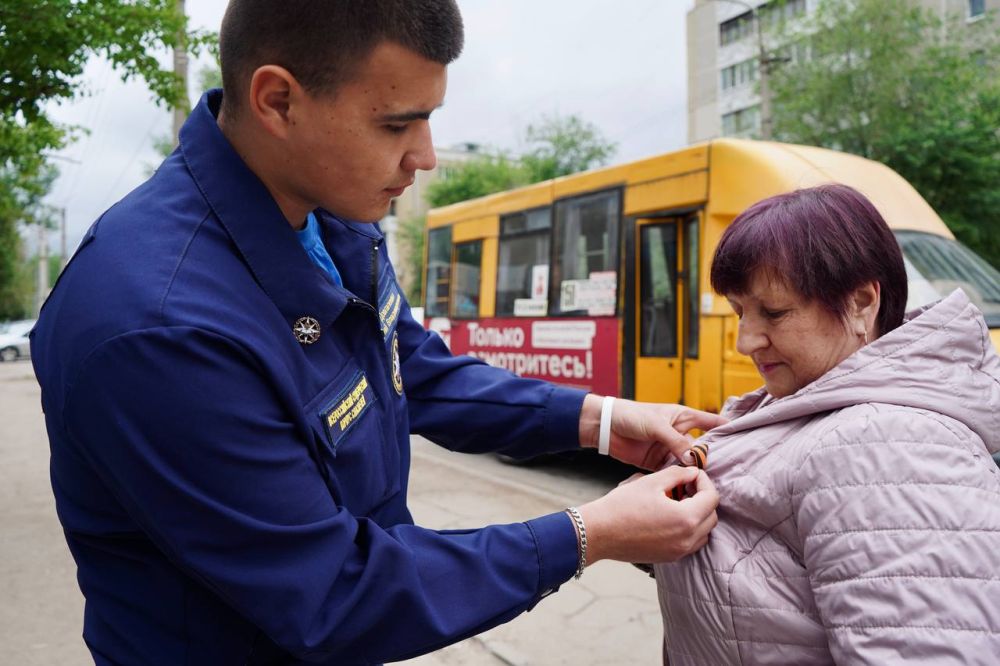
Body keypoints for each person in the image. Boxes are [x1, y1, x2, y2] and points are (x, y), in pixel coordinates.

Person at [30, 2, 725, 664]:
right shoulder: (160, 329)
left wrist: (600, 421)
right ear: (278, 101)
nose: (423, 156)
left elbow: (409, 366)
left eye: (430, 120)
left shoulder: (327, 213)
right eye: (397, 125)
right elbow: (334, 591)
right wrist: (588, 534)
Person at [653, 183, 1000, 664]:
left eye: (773, 312)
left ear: (861, 302)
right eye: (739, 313)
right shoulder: (811, 410)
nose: (745, 341)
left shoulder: (887, 446)